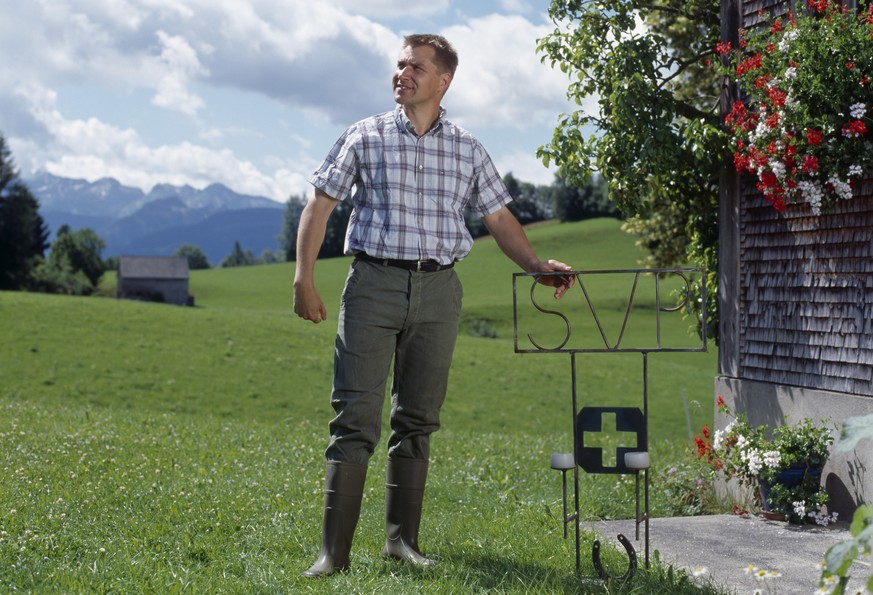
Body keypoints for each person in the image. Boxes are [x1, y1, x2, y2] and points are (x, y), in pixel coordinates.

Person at [293, 33, 574, 578]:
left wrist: (536, 267)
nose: (403, 73)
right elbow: (319, 204)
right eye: (400, 64)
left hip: (440, 291)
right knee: (354, 416)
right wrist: (304, 279)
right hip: (373, 284)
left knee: (418, 418)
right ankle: (333, 555)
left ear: (443, 80)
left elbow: (497, 218)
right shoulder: (364, 135)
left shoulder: (467, 147)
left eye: (416, 67)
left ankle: (402, 542)